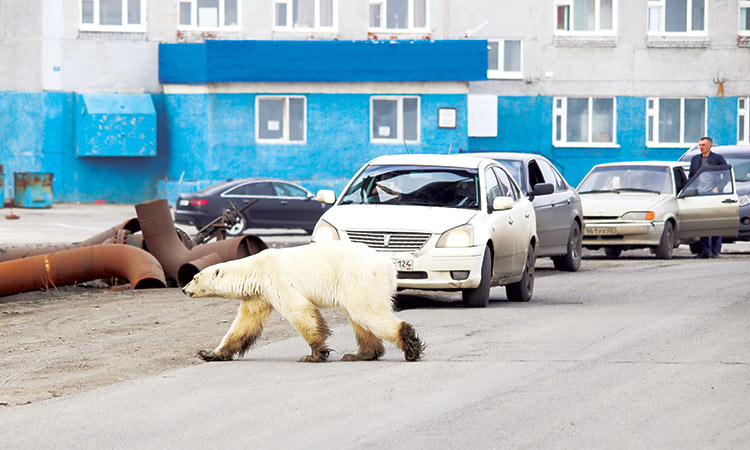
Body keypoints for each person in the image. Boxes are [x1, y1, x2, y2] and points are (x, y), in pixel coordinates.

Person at [688, 136, 728, 258]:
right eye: (699, 145)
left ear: (710, 146)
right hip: (699, 195)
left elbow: (726, 175)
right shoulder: (695, 159)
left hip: (713, 194)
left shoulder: (717, 159)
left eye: (703, 145)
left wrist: (718, 187)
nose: (701, 147)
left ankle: (716, 251)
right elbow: (691, 176)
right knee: (703, 223)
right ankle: (704, 251)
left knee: (715, 223)